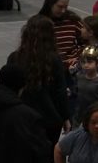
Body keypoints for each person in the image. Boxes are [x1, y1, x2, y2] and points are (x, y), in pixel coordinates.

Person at [6, 16, 67, 145]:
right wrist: (66, 117)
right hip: (48, 118)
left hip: (20, 116)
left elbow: (7, 87)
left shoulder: (14, 58)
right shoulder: (54, 60)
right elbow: (60, 92)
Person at [40, 0, 82, 70]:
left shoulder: (72, 19)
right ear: (50, 3)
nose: (63, 11)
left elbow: (87, 40)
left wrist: (78, 57)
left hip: (72, 66)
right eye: (60, 7)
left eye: (65, 7)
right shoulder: (40, 23)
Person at [72, 46, 98, 123]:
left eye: (89, 62)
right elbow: (75, 94)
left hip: (93, 116)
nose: (85, 65)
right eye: (83, 62)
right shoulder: (79, 77)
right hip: (78, 116)